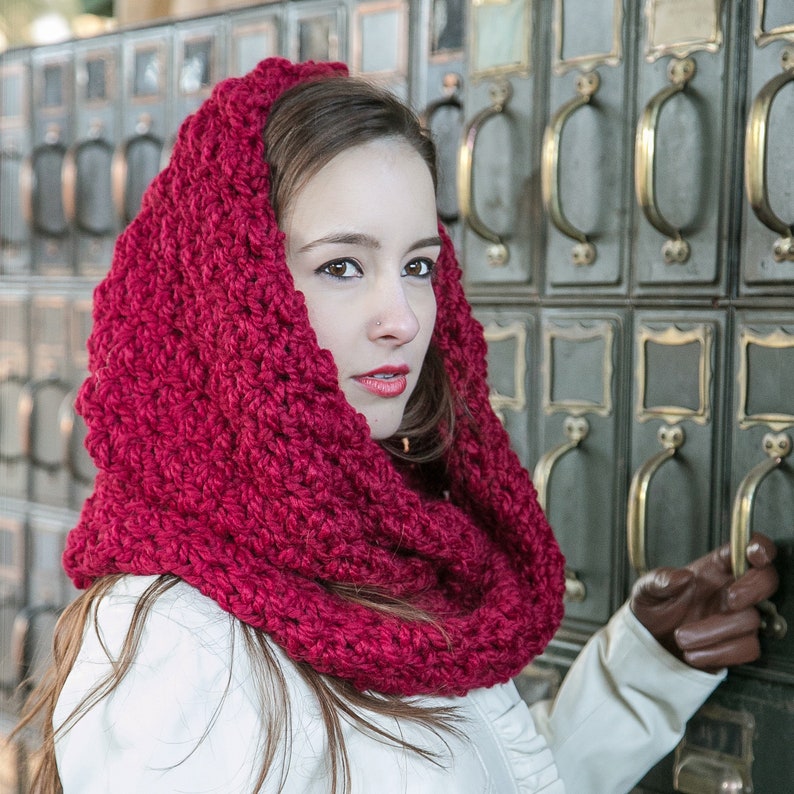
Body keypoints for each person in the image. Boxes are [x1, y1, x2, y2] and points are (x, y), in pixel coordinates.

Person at [16, 58, 778, 794]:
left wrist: (639, 673)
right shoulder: (179, 643)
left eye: (418, 265)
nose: (404, 320)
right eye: (341, 266)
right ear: (223, 301)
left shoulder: (392, 560)